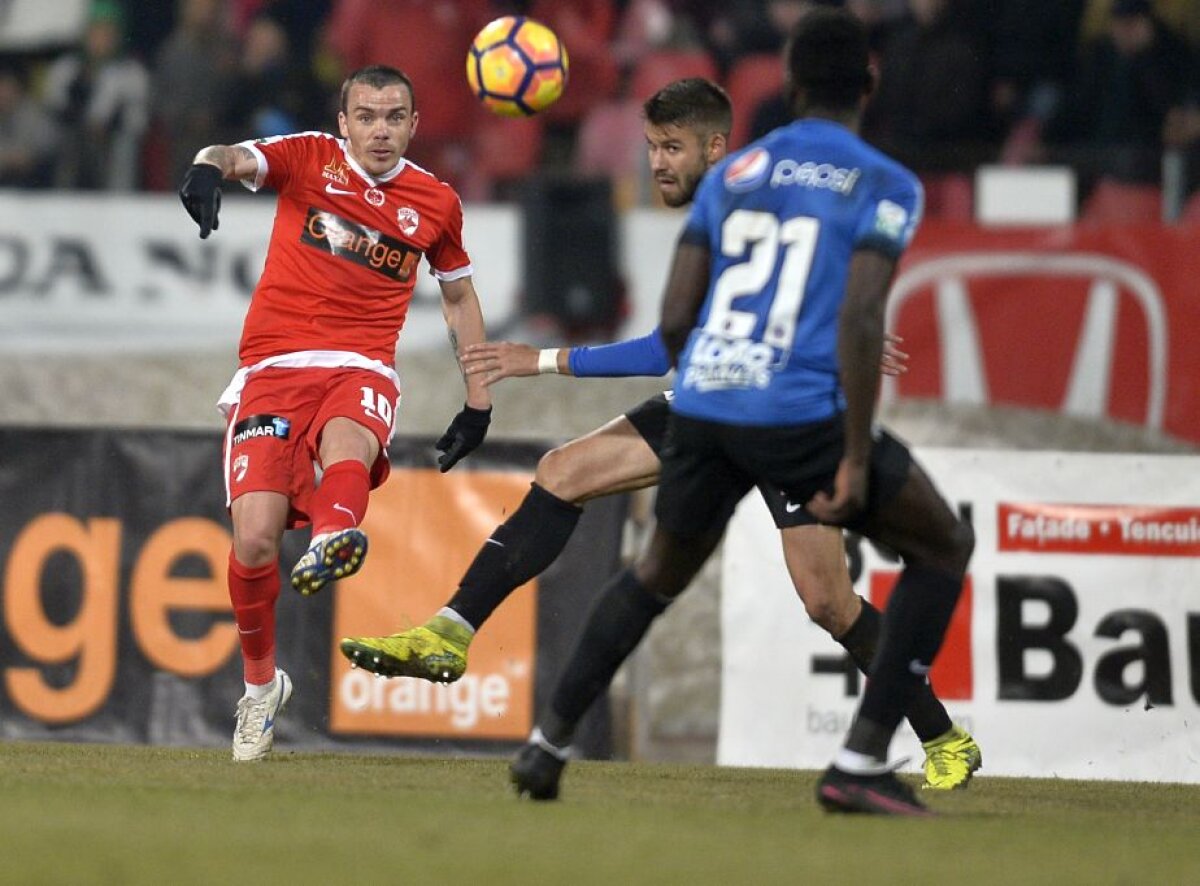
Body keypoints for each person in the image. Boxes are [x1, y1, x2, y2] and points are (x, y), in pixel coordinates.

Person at [339, 77, 979, 794]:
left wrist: (541, 361)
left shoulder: (747, 196)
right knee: (564, 470)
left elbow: (669, 342)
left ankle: (943, 736)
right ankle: (452, 629)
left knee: (828, 602)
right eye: (649, 147)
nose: (657, 163)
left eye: (671, 147)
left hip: (791, 416)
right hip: (713, 402)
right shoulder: (728, 205)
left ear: (715, 146)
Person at [506, 9, 976, 817]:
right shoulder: (887, 182)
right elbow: (864, 318)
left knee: (655, 575)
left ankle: (546, 745)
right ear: (869, 83)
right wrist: (855, 455)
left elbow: (679, 312)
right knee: (941, 546)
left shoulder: (732, 177)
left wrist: (702, 403)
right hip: (799, 418)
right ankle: (861, 761)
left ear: (789, 85)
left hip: (711, 406)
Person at [178, 64, 493, 762]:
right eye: (368, 115)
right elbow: (230, 155)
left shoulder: (435, 202)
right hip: (271, 369)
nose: (381, 129)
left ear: (414, 124)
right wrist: (204, 172)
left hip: (360, 365)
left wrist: (478, 401)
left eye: (395, 116)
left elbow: (459, 298)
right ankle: (261, 689)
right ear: (344, 122)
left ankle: (332, 536)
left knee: (347, 437)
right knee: (255, 541)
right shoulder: (310, 157)